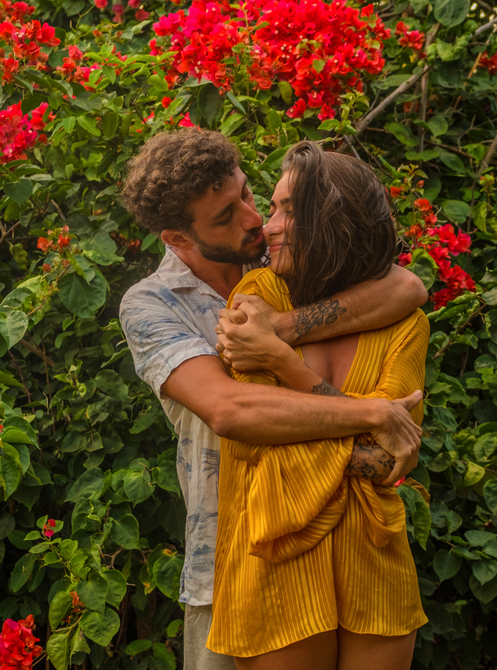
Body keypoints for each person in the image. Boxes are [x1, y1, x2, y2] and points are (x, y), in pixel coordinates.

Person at [118, 128, 428, 670]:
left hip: (357, 548)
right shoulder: (151, 304)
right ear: (177, 237)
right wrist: (373, 413)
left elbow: (407, 288)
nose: (253, 219)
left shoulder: (284, 261)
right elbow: (233, 410)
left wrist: (279, 332)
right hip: (230, 549)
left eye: (247, 195)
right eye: (224, 216)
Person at [207, 141, 429, 670]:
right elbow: (258, 430)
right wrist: (370, 418)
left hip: (374, 555)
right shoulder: (254, 302)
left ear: (336, 225)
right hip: (274, 551)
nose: (269, 224)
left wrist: (286, 365)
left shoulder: (404, 321)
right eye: (274, 205)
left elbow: (383, 464)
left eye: (289, 210)